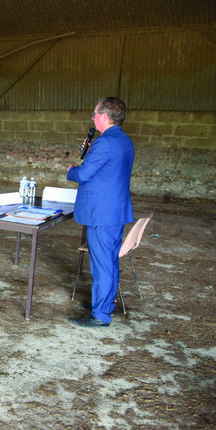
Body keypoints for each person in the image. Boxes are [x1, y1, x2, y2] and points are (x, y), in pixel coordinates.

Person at [67, 97, 135, 328]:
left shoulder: (105, 143)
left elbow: (84, 174)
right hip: (114, 212)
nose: (92, 118)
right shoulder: (124, 141)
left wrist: (71, 171)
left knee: (103, 265)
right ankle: (104, 304)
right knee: (109, 262)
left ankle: (100, 316)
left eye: (95, 114)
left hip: (102, 214)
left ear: (105, 116)